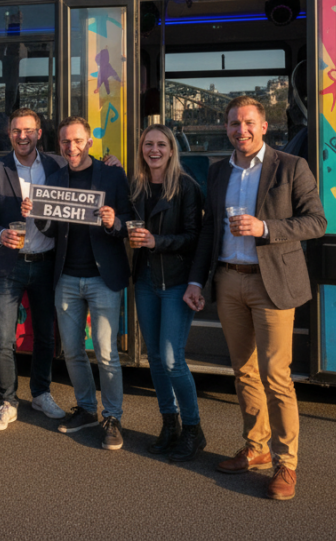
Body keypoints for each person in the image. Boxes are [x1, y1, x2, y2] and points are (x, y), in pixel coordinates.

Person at [188, 95, 326, 501]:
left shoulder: (291, 166)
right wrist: (197, 281)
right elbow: (209, 231)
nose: (240, 130)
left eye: (248, 123)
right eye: (233, 123)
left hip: (272, 283)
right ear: (226, 128)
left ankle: (287, 464)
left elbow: (316, 221)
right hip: (229, 280)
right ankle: (257, 447)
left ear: (264, 127)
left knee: (276, 375)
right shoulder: (217, 173)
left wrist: (265, 228)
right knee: (243, 371)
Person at [33, 116, 132, 451]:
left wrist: (113, 222)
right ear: (59, 145)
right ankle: (88, 409)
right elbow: (49, 229)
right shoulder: (55, 176)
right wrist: (38, 215)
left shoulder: (113, 174)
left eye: (77, 141)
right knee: (73, 351)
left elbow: (130, 221)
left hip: (104, 278)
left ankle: (113, 416)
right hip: (67, 278)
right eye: (65, 142)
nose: (71, 147)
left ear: (89, 141)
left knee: (106, 353)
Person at [0, 109, 68, 431]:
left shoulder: (57, 165)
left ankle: (41, 393)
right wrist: (0, 234)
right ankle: (7, 401)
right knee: (3, 339)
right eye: (16, 131)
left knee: (45, 336)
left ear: (39, 133)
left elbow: (87, 176)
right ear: (9, 134)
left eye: (29, 130)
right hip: (9, 265)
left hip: (45, 264)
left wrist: (110, 163)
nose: (23, 136)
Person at [127, 124, 206, 461]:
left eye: (161, 144)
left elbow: (195, 238)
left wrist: (156, 242)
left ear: (172, 150)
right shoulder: (136, 186)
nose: (154, 150)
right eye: (148, 144)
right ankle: (168, 422)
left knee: (173, 359)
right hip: (145, 280)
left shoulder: (186, 187)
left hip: (175, 281)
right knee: (155, 358)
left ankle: (193, 429)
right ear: (141, 149)